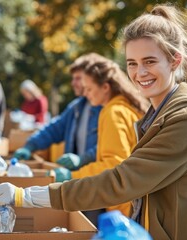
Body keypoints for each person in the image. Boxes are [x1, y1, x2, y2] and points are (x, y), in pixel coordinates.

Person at [0, 4, 187, 239]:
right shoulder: (159, 114)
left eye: (150, 61)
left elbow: (120, 181)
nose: (140, 73)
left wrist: (27, 196)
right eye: (132, 63)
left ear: (175, 61)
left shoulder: (185, 121)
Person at [51, 60, 149, 221]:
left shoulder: (114, 113)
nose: (86, 94)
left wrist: (73, 175)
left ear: (105, 87)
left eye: (89, 89)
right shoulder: (125, 108)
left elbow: (114, 163)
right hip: (132, 201)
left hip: (126, 207)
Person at [13, 53, 104, 166]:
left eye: (78, 78)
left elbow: (109, 146)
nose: (73, 83)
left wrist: (82, 159)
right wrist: (30, 146)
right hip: (79, 179)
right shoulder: (76, 107)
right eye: (73, 78)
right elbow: (54, 129)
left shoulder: (106, 109)